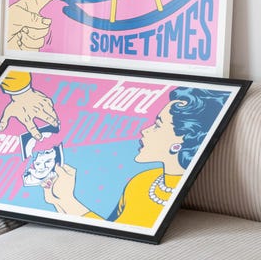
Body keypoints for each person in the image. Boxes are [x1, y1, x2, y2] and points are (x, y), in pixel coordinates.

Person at [42, 87, 230, 228]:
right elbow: (108, 228)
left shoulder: (171, 195)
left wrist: (67, 199)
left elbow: (115, 239)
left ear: (180, 142)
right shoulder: (142, 181)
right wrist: (59, 199)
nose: (145, 131)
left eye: (157, 125)